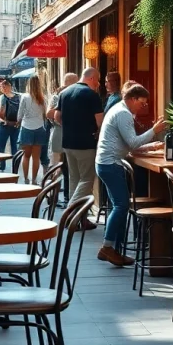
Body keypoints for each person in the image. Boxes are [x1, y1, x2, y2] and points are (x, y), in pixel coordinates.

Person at [95, 84, 166, 266]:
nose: (142, 107)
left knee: (117, 206)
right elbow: (133, 143)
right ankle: (107, 247)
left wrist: (151, 146)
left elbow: (128, 144)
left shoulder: (118, 109)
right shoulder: (124, 114)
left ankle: (116, 250)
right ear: (133, 99)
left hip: (106, 162)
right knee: (121, 206)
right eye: (142, 103)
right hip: (110, 164)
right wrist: (154, 131)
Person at [57, 67, 104, 230]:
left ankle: (81, 219)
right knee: (86, 180)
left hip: (68, 143)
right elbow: (100, 122)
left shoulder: (65, 93)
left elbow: (57, 117)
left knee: (74, 180)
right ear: (91, 78)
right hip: (85, 144)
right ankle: (70, 216)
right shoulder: (91, 95)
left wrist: (70, 127)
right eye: (97, 80)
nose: (98, 84)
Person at [48, 73, 79, 207]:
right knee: (56, 168)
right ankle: (52, 196)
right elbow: (49, 113)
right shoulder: (58, 97)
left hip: (69, 137)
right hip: (59, 136)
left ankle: (67, 197)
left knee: (67, 169)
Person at [17, 75, 49, 183]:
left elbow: (20, 114)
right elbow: (45, 114)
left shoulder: (25, 97)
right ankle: (34, 179)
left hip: (27, 127)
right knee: (36, 157)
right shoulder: (42, 98)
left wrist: (18, 121)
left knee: (26, 156)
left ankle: (26, 178)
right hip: (40, 128)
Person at [0, 79, 22, 168]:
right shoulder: (19, 96)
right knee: (15, 146)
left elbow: (1, 112)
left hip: (4, 124)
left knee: (0, 146)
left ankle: (2, 166)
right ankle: (16, 166)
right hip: (16, 124)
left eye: (2, 87)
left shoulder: (2, 97)